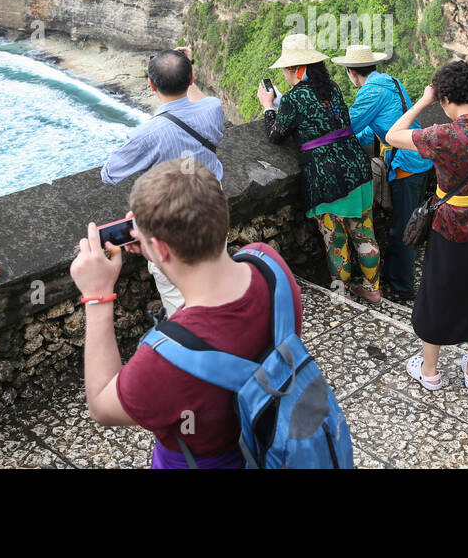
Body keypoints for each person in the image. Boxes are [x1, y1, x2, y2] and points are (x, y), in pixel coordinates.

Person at [70, 159, 304, 469]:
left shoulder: (162, 361)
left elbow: (101, 405)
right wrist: (160, 246)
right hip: (281, 444)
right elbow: (214, 307)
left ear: (161, 249)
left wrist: (98, 297)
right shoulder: (270, 265)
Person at [385, 60, 468, 391]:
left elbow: (392, 135)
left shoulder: (441, 136)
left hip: (448, 229)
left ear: (445, 98)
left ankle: (430, 370)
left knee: (438, 293)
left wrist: (423, 100)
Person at [101, 47, 224, 318]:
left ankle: (194, 348)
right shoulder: (213, 108)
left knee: (179, 303)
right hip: (213, 209)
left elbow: (109, 174)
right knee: (214, 276)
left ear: (150, 84)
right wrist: (187, 63)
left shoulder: (147, 135)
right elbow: (197, 99)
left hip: (173, 222)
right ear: (191, 78)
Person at [257, 34, 380, 303]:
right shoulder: (333, 89)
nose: (286, 75)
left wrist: (269, 107)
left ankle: (342, 293)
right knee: (364, 231)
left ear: (298, 69)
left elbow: (276, 135)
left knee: (335, 240)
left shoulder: (293, 99)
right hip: (356, 167)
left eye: (287, 69)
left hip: (326, 177)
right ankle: (373, 289)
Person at [334, 43, 433, 304]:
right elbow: (375, 129)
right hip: (419, 155)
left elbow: (348, 127)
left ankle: (402, 287)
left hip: (406, 164)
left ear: (351, 72)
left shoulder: (370, 93)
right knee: (408, 221)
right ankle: (394, 276)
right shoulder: (391, 82)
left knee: (403, 228)